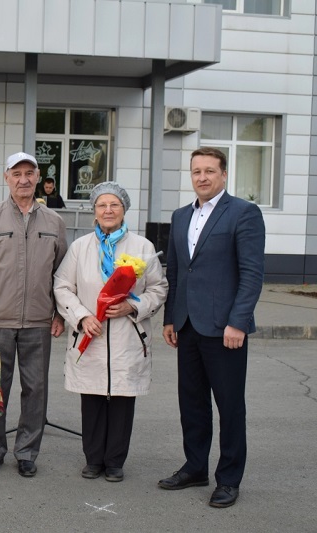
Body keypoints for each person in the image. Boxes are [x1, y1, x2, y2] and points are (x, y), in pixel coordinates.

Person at [159, 147, 265, 508]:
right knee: (192, 403)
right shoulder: (179, 216)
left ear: (223, 175)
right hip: (187, 325)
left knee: (230, 406)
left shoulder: (243, 213)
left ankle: (229, 479)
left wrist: (238, 322)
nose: (201, 177)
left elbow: (251, 274)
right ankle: (195, 467)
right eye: (195, 171)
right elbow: (175, 271)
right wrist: (171, 318)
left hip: (225, 330)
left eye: (209, 171)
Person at [53, 182, 168, 482]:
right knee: (91, 399)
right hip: (91, 335)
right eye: (102, 206)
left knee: (121, 400)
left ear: (124, 210)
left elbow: (159, 289)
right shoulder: (80, 248)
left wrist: (133, 306)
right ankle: (93, 460)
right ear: (94, 212)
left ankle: (115, 461)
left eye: (114, 205)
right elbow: (62, 287)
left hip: (128, 337)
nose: (108, 210)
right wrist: (80, 317)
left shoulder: (142, 247)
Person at [0, 152, 68, 478]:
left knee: (36, 390)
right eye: (16, 173)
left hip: (39, 321)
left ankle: (26, 452)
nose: (23, 179)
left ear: (38, 177)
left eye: (29, 173)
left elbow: (63, 275)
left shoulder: (54, 222)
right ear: (6, 177)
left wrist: (60, 314)